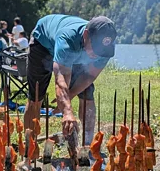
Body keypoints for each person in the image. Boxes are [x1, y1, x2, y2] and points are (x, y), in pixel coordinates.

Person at [24, 14, 117, 149]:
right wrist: (67, 112)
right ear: (86, 35)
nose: (98, 54)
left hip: (77, 52)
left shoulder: (105, 49)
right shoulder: (67, 39)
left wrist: (68, 97)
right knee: (36, 97)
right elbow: (61, 80)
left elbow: (89, 76)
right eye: (95, 47)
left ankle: (87, 146)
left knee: (87, 94)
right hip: (43, 44)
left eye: (102, 50)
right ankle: (30, 148)